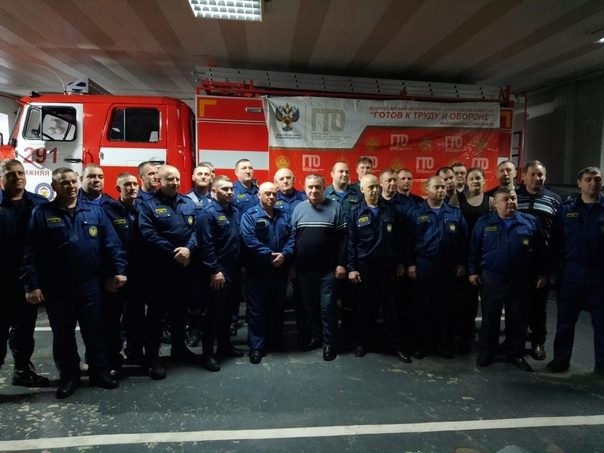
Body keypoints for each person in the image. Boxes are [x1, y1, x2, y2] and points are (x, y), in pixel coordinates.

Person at [21, 167, 127, 399]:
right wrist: (32, 285)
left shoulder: (95, 211)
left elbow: (111, 245)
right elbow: (30, 253)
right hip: (57, 288)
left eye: (73, 181)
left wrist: (118, 271)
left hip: (90, 284)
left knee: (95, 332)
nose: (70, 186)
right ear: (54, 186)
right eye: (64, 182)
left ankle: (99, 373)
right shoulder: (42, 213)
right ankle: (69, 377)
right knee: (63, 336)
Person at [468, 188, 547, 372]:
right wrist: (473, 271)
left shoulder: (529, 222)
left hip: (520, 279)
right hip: (492, 278)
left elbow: (541, 251)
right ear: (495, 203)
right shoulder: (484, 222)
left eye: (513, 198)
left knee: (518, 319)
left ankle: (515, 353)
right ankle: (487, 352)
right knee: (490, 318)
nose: (510, 202)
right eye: (505, 199)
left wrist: (542, 273)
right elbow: (474, 248)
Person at [138, 165, 198, 379]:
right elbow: (147, 233)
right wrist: (175, 252)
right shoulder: (147, 204)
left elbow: (195, 230)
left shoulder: (187, 202)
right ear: (159, 181)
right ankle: (153, 357)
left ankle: (179, 349)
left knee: (180, 312)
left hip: (183, 268)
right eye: (169, 179)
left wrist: (188, 249)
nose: (174, 183)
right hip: (159, 270)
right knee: (156, 316)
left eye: (177, 179)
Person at [348, 174, 410, 363]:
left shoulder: (390, 209)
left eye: (376, 186)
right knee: (364, 309)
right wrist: (351, 267)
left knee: (391, 308)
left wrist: (401, 262)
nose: (374, 190)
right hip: (365, 267)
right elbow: (351, 242)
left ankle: (396, 346)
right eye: (370, 187)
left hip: (388, 267)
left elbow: (400, 239)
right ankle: (362, 343)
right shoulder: (355, 212)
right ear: (362, 189)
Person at [547, 167, 604, 375]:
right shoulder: (566, 209)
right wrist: (552, 271)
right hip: (572, 272)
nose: (593, 183)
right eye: (588, 179)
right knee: (565, 321)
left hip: (600, 274)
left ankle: (602, 365)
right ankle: (561, 360)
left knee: (602, 322)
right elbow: (555, 242)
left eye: (597, 179)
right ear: (579, 183)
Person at [404, 176, 468, 359]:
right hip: (423, 264)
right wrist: (410, 264)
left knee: (445, 307)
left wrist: (462, 263)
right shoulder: (415, 212)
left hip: (448, 266)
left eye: (443, 187)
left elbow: (464, 240)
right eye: (437, 187)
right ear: (427, 189)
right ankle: (420, 345)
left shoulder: (455, 212)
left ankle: (442, 344)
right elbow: (406, 241)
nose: (441, 190)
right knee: (421, 307)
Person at [0, 159, 49, 388]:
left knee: (24, 329)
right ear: (2, 178)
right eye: (11, 174)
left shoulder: (39, 205)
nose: (18, 177)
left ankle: (22, 371)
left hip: (27, 280)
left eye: (20, 173)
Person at [291, 174, 348, 361]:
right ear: (305, 187)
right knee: (311, 307)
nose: (313, 190)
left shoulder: (335, 207)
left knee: (327, 308)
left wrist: (341, 264)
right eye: (310, 187)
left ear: (324, 188)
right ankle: (316, 338)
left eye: (317, 187)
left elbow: (343, 239)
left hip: (328, 271)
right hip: (304, 271)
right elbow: (292, 239)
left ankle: (329, 343)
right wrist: (292, 265)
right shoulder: (298, 208)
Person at [241, 182, 295, 364]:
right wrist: (270, 255)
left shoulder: (284, 215)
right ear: (259, 195)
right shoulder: (250, 216)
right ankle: (256, 347)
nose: (271, 197)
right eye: (267, 194)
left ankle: (275, 341)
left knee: (277, 308)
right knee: (257, 310)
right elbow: (249, 239)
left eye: (273, 194)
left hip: (279, 270)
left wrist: (284, 255)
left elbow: (292, 238)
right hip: (258, 271)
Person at [196, 176, 245, 372]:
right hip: (218, 270)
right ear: (214, 191)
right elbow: (205, 244)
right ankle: (208, 354)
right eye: (225, 189)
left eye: (231, 189)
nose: (230, 192)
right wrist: (214, 270)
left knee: (228, 311)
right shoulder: (207, 213)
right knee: (214, 314)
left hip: (234, 269)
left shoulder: (234, 211)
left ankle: (225, 346)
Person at [101, 172, 146, 378]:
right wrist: (109, 274)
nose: (132, 187)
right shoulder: (108, 211)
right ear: (118, 189)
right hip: (117, 274)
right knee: (112, 319)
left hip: (139, 274)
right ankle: (113, 359)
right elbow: (105, 245)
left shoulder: (144, 209)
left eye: (134, 184)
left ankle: (135, 352)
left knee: (136, 315)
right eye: (127, 184)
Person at [515, 160, 561, 361]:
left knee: (538, 306)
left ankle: (538, 342)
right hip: (517, 261)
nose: (537, 178)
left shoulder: (554, 199)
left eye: (540, 175)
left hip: (541, 262)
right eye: (532, 174)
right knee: (516, 305)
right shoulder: (514, 196)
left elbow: (557, 234)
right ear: (524, 176)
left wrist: (546, 269)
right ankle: (515, 342)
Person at [449, 167, 494, 352]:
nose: (475, 181)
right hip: (463, 255)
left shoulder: (491, 201)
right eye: (472, 178)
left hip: (484, 255)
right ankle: (461, 333)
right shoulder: (456, 199)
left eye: (478, 178)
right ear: (466, 182)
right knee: (463, 298)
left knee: (483, 299)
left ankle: (481, 337)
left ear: (484, 181)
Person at [324, 161, 361, 333]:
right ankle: (331, 331)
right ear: (332, 174)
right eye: (340, 171)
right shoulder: (324, 193)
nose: (344, 175)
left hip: (353, 250)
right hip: (331, 251)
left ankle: (348, 330)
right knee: (329, 296)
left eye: (347, 172)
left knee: (351, 296)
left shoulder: (358, 194)